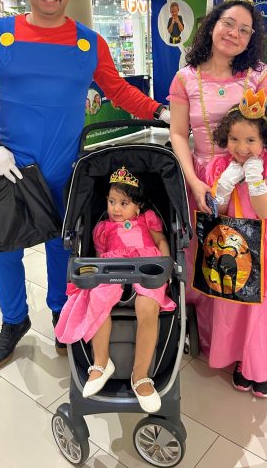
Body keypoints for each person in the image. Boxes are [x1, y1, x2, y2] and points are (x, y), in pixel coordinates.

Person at [0, 0, 170, 372]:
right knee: (5, 249)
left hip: (65, 168)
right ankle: (14, 320)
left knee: (64, 244)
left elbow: (118, 89)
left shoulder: (88, 42)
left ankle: (61, 311)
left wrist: (159, 111)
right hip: (11, 167)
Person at [169, 0, 267, 358]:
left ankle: (255, 356)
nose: (234, 34)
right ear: (212, 24)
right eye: (228, 23)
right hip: (205, 185)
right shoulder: (185, 78)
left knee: (251, 262)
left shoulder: (259, 74)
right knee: (213, 260)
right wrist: (193, 181)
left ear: (251, 38)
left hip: (249, 182)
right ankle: (217, 344)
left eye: (245, 29)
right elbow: (178, 134)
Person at [204, 90, 267, 397]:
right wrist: (223, 186)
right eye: (234, 139)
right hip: (236, 243)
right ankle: (241, 357)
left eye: (250, 140)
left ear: (265, 141)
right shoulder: (222, 166)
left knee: (264, 305)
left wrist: (253, 176)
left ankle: (262, 366)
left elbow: (263, 211)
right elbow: (217, 210)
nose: (241, 147)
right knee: (238, 303)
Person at [54, 167, 175, 412]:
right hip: (112, 267)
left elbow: (161, 240)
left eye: (124, 203)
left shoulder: (147, 219)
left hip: (146, 266)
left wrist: (166, 266)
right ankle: (101, 363)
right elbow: (99, 256)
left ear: (138, 206)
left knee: (147, 306)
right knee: (98, 298)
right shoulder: (103, 228)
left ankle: (140, 376)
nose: (116, 209)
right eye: (111, 202)